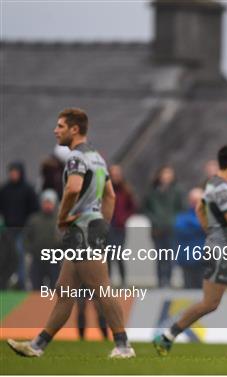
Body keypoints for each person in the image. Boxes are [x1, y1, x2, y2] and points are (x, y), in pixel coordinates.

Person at [7, 108, 135, 358]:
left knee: (101, 289)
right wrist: (102, 224)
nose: (56, 130)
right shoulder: (97, 158)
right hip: (91, 226)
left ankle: (123, 345)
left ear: (74, 130)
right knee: (64, 290)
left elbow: (73, 188)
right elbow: (110, 195)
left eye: (60, 126)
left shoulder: (76, 157)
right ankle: (37, 346)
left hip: (81, 228)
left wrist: (62, 216)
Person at [153, 146, 227, 359]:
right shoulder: (222, 188)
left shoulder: (216, 184)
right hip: (222, 252)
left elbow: (199, 209)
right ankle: (167, 335)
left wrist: (211, 231)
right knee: (210, 303)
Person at [143, 165, 184, 287]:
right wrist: (154, 220)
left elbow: (181, 208)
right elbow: (145, 209)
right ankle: (161, 280)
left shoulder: (177, 191)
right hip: (157, 229)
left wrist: (173, 221)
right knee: (160, 256)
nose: (167, 176)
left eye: (169, 174)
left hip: (171, 229)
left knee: (171, 256)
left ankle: (168, 281)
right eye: (164, 173)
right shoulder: (152, 192)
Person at [0, 161, 39, 289]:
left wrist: (29, 226)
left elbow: (34, 210)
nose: (13, 175)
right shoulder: (5, 190)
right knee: (6, 257)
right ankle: (6, 283)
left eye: (15, 172)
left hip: (23, 230)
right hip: (8, 231)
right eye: (11, 172)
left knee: (20, 256)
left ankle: (21, 283)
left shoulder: (28, 189)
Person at [22, 189, 61, 290]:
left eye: (50, 203)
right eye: (45, 202)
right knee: (36, 289)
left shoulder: (60, 220)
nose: (47, 205)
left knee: (55, 289)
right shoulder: (34, 220)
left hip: (54, 260)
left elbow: (66, 238)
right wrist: (31, 249)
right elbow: (26, 237)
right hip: (37, 260)